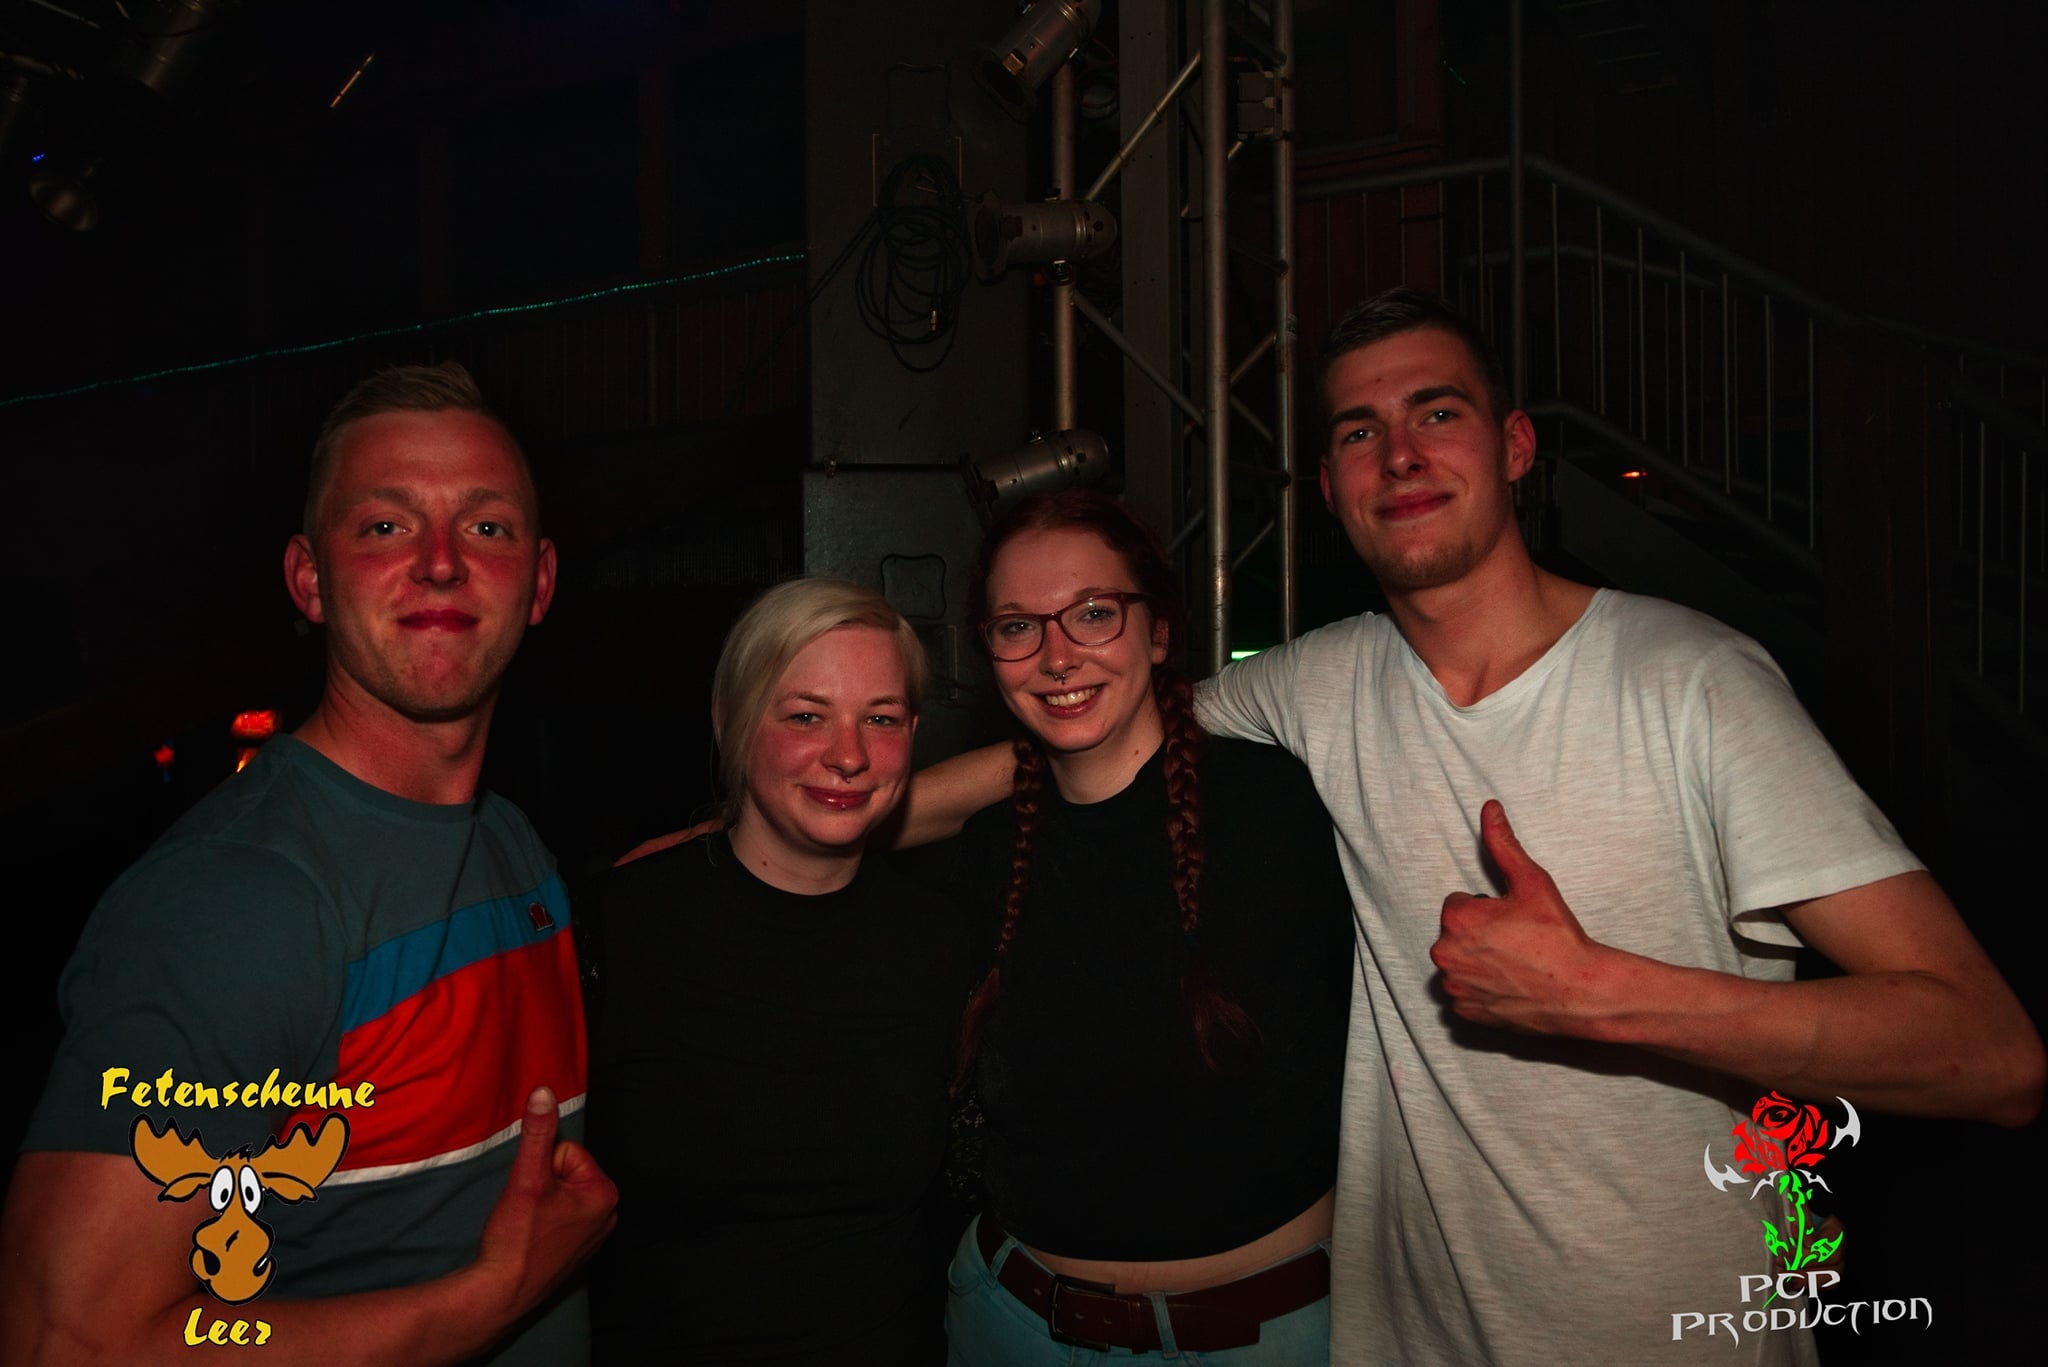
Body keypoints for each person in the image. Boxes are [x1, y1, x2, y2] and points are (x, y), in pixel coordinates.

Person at [1187, 288, 2046, 1365]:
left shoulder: (1692, 682)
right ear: (1328, 487)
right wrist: (954, 770)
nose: (1399, 454)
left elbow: (1988, 1053)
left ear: (1515, 447)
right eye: (1361, 432)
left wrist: (1597, 992)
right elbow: (1111, 728)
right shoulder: (1323, 681)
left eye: (1437, 412)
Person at [0, 362, 617, 1366]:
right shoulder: (237, 905)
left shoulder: (510, 841)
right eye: (385, 525)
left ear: (539, 582)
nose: (441, 563)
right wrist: (486, 1300)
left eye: (486, 526)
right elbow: (69, 1342)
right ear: (309, 579)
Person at [941, 492, 1355, 1365]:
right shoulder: (984, 849)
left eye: (1094, 613)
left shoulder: (1285, 805)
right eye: (1017, 626)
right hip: (1014, 1325)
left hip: (1261, 1338)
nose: (1057, 655)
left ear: (1159, 631)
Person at [585, 579, 968, 1365]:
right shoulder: (617, 929)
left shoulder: (941, 941)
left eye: (881, 718)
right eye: (805, 715)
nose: (849, 754)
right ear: (731, 720)